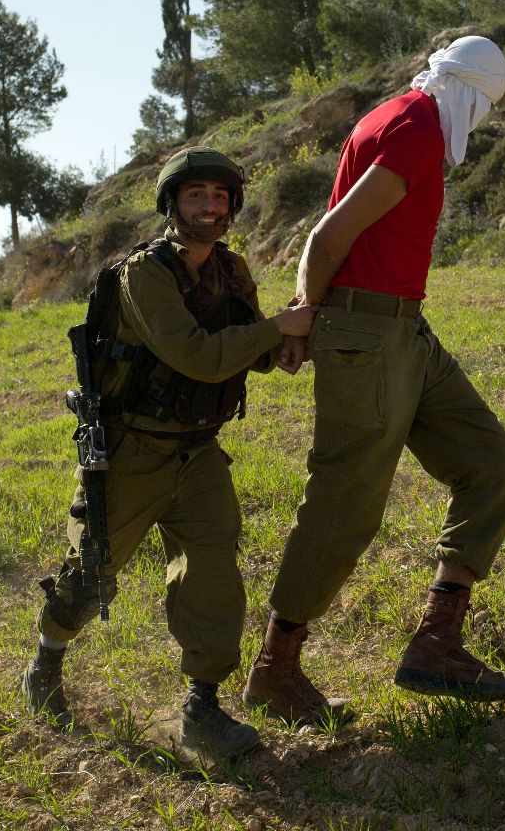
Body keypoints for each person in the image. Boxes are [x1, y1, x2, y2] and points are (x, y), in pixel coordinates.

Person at [243, 35, 505, 727]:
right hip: (368, 333)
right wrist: (305, 319)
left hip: (405, 329)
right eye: (485, 107)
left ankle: (436, 643)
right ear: (471, 92)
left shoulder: (397, 114)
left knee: (492, 464)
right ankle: (274, 670)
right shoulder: (417, 127)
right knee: (346, 503)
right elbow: (327, 235)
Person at [21, 148, 316, 760]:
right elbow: (198, 355)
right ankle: (46, 663)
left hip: (199, 453)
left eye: (219, 196)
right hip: (132, 452)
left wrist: (285, 347)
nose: (210, 205)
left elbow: (247, 346)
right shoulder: (144, 273)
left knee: (212, 574)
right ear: (171, 204)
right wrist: (275, 332)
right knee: (90, 574)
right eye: (195, 195)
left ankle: (201, 711)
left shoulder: (231, 272)